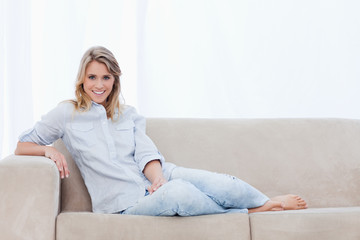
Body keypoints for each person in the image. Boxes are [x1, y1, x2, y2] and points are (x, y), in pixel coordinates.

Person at [15, 46, 307, 216]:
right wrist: (48, 149)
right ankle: (251, 212)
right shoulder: (67, 113)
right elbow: (22, 145)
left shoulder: (126, 114)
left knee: (224, 185)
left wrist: (157, 179)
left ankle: (264, 200)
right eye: (92, 77)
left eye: (106, 77)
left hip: (156, 177)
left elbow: (145, 151)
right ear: (82, 80)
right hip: (122, 203)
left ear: (115, 80)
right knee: (180, 194)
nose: (99, 85)